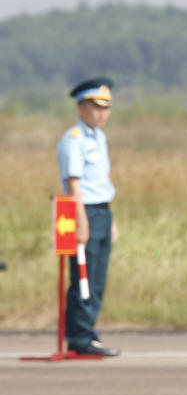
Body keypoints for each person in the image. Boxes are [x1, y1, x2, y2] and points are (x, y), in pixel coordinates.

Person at [57, 77, 120, 357]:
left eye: (105, 108)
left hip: (102, 210)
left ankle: (88, 333)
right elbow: (74, 183)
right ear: (81, 108)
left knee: (97, 278)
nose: (102, 113)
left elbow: (101, 182)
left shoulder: (99, 137)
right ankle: (80, 337)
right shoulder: (74, 139)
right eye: (96, 107)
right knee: (83, 276)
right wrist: (81, 221)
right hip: (84, 212)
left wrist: (111, 218)